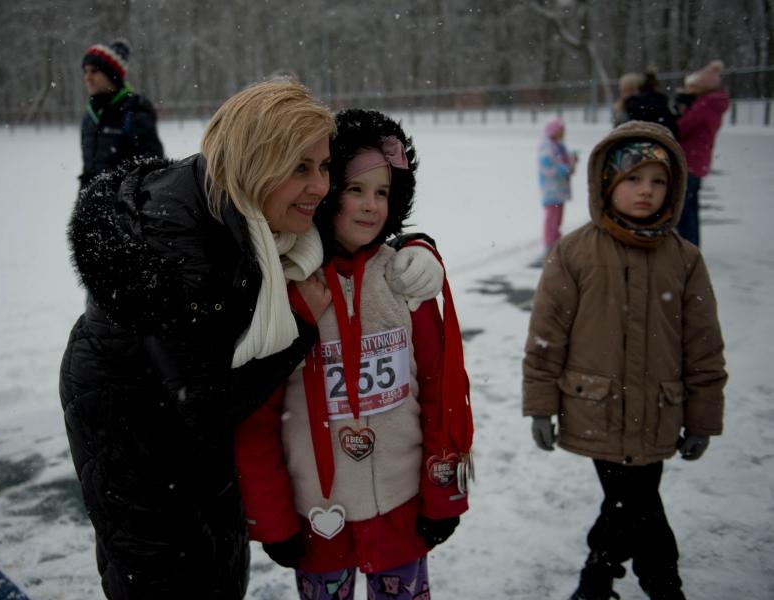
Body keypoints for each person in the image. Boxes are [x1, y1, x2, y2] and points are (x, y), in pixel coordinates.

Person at [59, 81, 446, 599]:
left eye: (324, 166)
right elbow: (206, 400)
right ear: (258, 161)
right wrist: (301, 328)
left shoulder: (244, 213)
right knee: (175, 584)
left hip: (190, 441)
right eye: (301, 168)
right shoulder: (184, 250)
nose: (321, 186)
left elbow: (354, 235)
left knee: (218, 572)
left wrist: (414, 244)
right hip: (140, 445)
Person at [234, 109, 474, 600]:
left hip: (403, 509)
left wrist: (443, 495)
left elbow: (439, 394)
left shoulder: (405, 280)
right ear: (326, 195)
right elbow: (259, 418)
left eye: (382, 193)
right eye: (355, 189)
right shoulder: (290, 287)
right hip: (318, 520)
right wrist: (274, 519)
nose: (370, 206)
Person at [522, 121, 727, 600]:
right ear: (607, 182)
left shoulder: (685, 259)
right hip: (597, 407)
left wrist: (703, 417)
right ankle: (660, 583)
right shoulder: (575, 253)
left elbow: (703, 346)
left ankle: (598, 578)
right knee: (634, 499)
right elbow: (546, 338)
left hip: (658, 409)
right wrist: (540, 406)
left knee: (631, 501)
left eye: (657, 181)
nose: (646, 191)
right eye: (633, 179)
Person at [79, 39, 164, 190]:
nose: (87, 77)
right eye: (85, 71)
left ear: (111, 75)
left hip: (124, 203)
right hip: (91, 203)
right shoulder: (90, 116)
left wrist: (122, 198)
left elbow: (153, 172)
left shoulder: (135, 112)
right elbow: (89, 172)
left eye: (94, 71)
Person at [675, 60, 729, 247]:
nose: (689, 90)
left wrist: (681, 111)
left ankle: (688, 246)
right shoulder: (712, 104)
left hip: (690, 159)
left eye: (692, 86)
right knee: (690, 207)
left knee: (685, 209)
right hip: (698, 159)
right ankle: (691, 245)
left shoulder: (705, 105)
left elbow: (682, 127)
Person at [538, 117, 578, 257]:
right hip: (551, 189)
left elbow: (564, 164)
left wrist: (572, 162)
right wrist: (565, 168)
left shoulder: (559, 145)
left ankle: (556, 243)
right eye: (561, 130)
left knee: (558, 218)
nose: (563, 133)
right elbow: (549, 167)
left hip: (559, 189)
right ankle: (550, 245)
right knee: (552, 219)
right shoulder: (547, 147)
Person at [623, 71, 679, 137]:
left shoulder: (631, 102)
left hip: (637, 137)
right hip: (660, 136)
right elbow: (670, 122)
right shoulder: (660, 99)